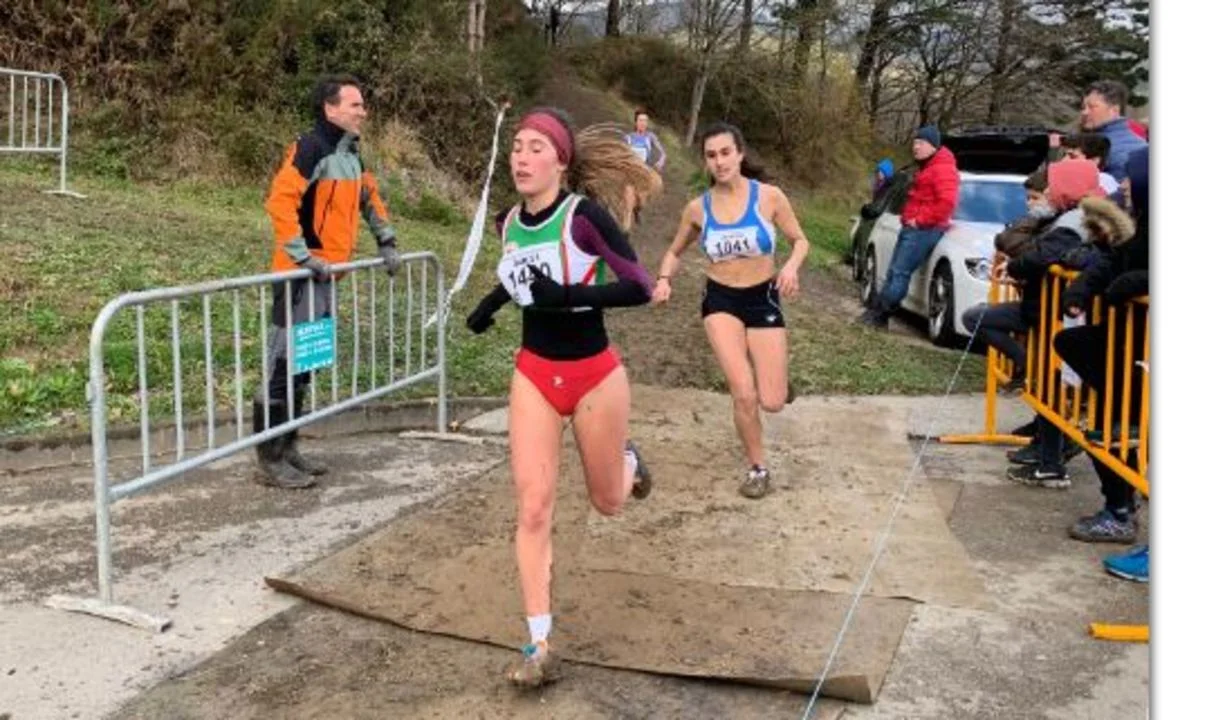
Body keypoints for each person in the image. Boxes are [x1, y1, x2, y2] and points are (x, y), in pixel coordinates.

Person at [463, 107, 662, 687]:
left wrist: (568, 296)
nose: (521, 158)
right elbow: (519, 274)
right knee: (532, 507)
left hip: (594, 374)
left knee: (608, 502)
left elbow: (639, 287)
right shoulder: (507, 222)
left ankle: (628, 462)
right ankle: (539, 644)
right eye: (516, 147)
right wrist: (490, 305)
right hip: (534, 374)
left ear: (560, 161)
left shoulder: (584, 218)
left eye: (536, 148)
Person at [256, 74, 402, 489]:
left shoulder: (350, 154)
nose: (363, 112)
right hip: (298, 276)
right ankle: (269, 458)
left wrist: (386, 239)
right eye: (355, 105)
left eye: (362, 105)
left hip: (327, 276)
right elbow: (280, 201)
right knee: (282, 364)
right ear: (330, 108)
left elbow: (370, 198)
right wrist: (303, 256)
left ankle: (289, 447)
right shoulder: (310, 148)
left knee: (305, 363)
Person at [652, 122, 811, 499]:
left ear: (740, 153)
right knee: (743, 393)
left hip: (763, 297)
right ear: (705, 162)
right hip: (720, 300)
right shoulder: (697, 209)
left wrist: (790, 267)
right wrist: (664, 279)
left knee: (771, 402)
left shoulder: (769, 197)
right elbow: (674, 251)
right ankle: (758, 469)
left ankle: (778, 385)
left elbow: (800, 240)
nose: (720, 162)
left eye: (726, 153)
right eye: (711, 156)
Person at [1055, 147, 1148, 545]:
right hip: (1124, 346)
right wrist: (1080, 290)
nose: (1122, 184)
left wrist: (1135, 282)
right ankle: (1119, 505)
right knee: (1070, 342)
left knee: (1113, 432)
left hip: (1143, 353)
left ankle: (1121, 513)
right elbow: (1109, 263)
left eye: (1130, 177)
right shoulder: (1143, 225)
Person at [996, 158, 1104, 488]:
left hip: (1061, 316)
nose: (1048, 191)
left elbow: (1038, 256)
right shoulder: (1071, 215)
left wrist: (1016, 266)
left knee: (1052, 388)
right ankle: (1047, 455)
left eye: (1054, 185)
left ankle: (1052, 464)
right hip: (1053, 313)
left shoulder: (1073, 221)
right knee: (1049, 387)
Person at [857, 125, 959, 329]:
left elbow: (947, 203)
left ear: (933, 146)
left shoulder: (943, 169)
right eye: (914, 142)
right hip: (913, 228)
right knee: (894, 272)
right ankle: (877, 313)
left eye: (921, 143)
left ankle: (880, 315)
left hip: (923, 230)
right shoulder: (928, 166)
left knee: (899, 273)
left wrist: (919, 220)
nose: (916, 147)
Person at [1078, 80, 1147, 181]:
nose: (1084, 112)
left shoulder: (1109, 149)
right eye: (1083, 107)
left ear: (1114, 110)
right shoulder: (1141, 144)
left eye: (1092, 107)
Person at [623, 109, 667, 173]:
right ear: (636, 122)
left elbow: (663, 153)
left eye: (645, 121)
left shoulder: (650, 137)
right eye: (641, 120)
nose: (643, 123)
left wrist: (661, 161)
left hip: (645, 172)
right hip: (630, 172)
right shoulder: (628, 138)